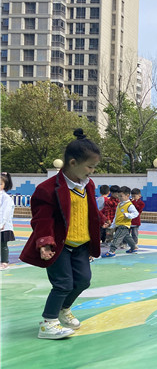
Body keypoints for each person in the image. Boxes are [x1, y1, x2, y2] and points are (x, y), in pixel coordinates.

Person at [19, 129, 104, 339]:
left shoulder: (87, 184)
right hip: (60, 245)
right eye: (90, 166)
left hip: (81, 244)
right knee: (63, 284)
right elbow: (42, 219)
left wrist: (101, 220)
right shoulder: (47, 189)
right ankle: (48, 323)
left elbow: (89, 209)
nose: (92, 171)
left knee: (83, 281)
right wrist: (45, 242)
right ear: (73, 163)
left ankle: (63, 309)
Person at [102, 186, 138, 257]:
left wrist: (128, 215)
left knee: (117, 237)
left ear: (127, 195)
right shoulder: (119, 204)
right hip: (118, 224)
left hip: (124, 225)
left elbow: (136, 213)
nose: (119, 198)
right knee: (126, 237)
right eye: (119, 196)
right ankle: (134, 247)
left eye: (121, 196)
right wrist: (113, 224)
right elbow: (116, 215)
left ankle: (112, 251)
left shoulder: (129, 205)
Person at [0, 172, 15, 270]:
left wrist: (2, 223)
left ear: (5, 185)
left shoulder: (6, 198)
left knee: (3, 244)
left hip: (3, 226)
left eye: (0, 184)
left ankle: (4, 262)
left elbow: (5, 212)